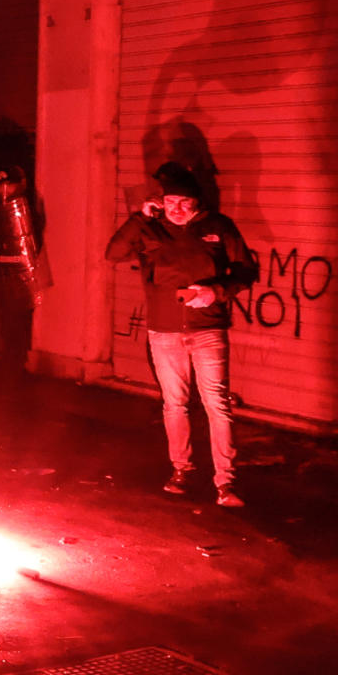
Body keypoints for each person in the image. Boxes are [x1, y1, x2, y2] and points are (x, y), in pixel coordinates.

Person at [106, 163, 258, 505]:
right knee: (174, 404)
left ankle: (225, 482)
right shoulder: (150, 228)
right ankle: (182, 469)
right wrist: (138, 218)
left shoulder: (218, 227)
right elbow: (112, 254)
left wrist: (215, 291)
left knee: (217, 404)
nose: (176, 208)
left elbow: (247, 270)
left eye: (184, 202)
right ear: (160, 201)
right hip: (164, 332)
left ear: (197, 202)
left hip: (208, 328)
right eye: (170, 201)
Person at [0, 166, 49, 383]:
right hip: (0, 276)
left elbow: (31, 243)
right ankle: (9, 362)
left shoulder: (26, 211)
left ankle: (16, 366)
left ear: (19, 185)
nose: (3, 189)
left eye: (8, 184)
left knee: (18, 323)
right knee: (5, 321)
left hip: (21, 277)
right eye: (0, 185)